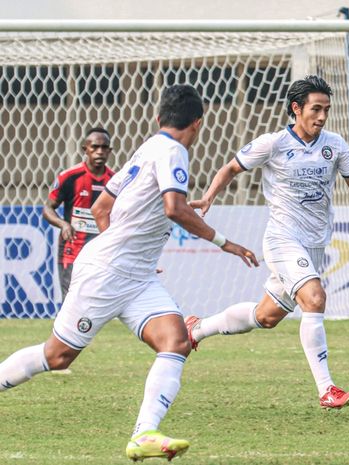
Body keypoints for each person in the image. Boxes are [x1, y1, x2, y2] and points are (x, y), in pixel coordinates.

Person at [0, 85, 259, 461]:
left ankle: (145, 433)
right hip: (107, 273)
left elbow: (104, 206)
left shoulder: (149, 146)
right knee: (57, 358)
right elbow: (174, 207)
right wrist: (225, 242)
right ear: (199, 123)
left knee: (176, 342)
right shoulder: (174, 152)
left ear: (159, 118)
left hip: (135, 275)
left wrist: (129, 252)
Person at [185, 75, 349, 409]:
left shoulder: (335, 145)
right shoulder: (273, 143)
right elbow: (230, 168)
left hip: (314, 245)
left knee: (266, 316)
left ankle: (196, 329)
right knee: (314, 298)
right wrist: (208, 198)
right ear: (296, 108)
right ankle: (327, 388)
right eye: (316, 109)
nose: (322, 116)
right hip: (283, 238)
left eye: (326, 109)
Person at [43, 127, 115, 300]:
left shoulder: (115, 181)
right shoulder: (69, 177)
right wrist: (63, 224)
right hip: (72, 250)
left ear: (110, 151)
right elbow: (48, 208)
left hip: (101, 252)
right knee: (71, 301)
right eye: (95, 147)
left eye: (104, 148)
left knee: (94, 302)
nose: (100, 152)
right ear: (85, 149)